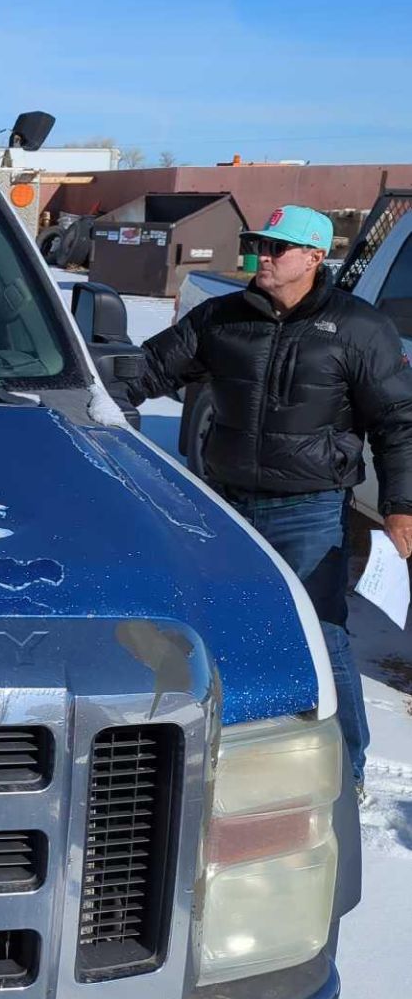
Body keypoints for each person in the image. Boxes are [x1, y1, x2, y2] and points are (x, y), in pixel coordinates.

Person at [135, 203, 412, 789]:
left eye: (277, 248)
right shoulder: (222, 319)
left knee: (325, 640)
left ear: (314, 257)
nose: (263, 257)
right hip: (228, 507)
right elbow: (145, 370)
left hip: (309, 512)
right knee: (221, 631)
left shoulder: (359, 328)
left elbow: (396, 422)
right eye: (258, 244)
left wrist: (400, 506)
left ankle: (346, 771)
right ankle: (228, 762)